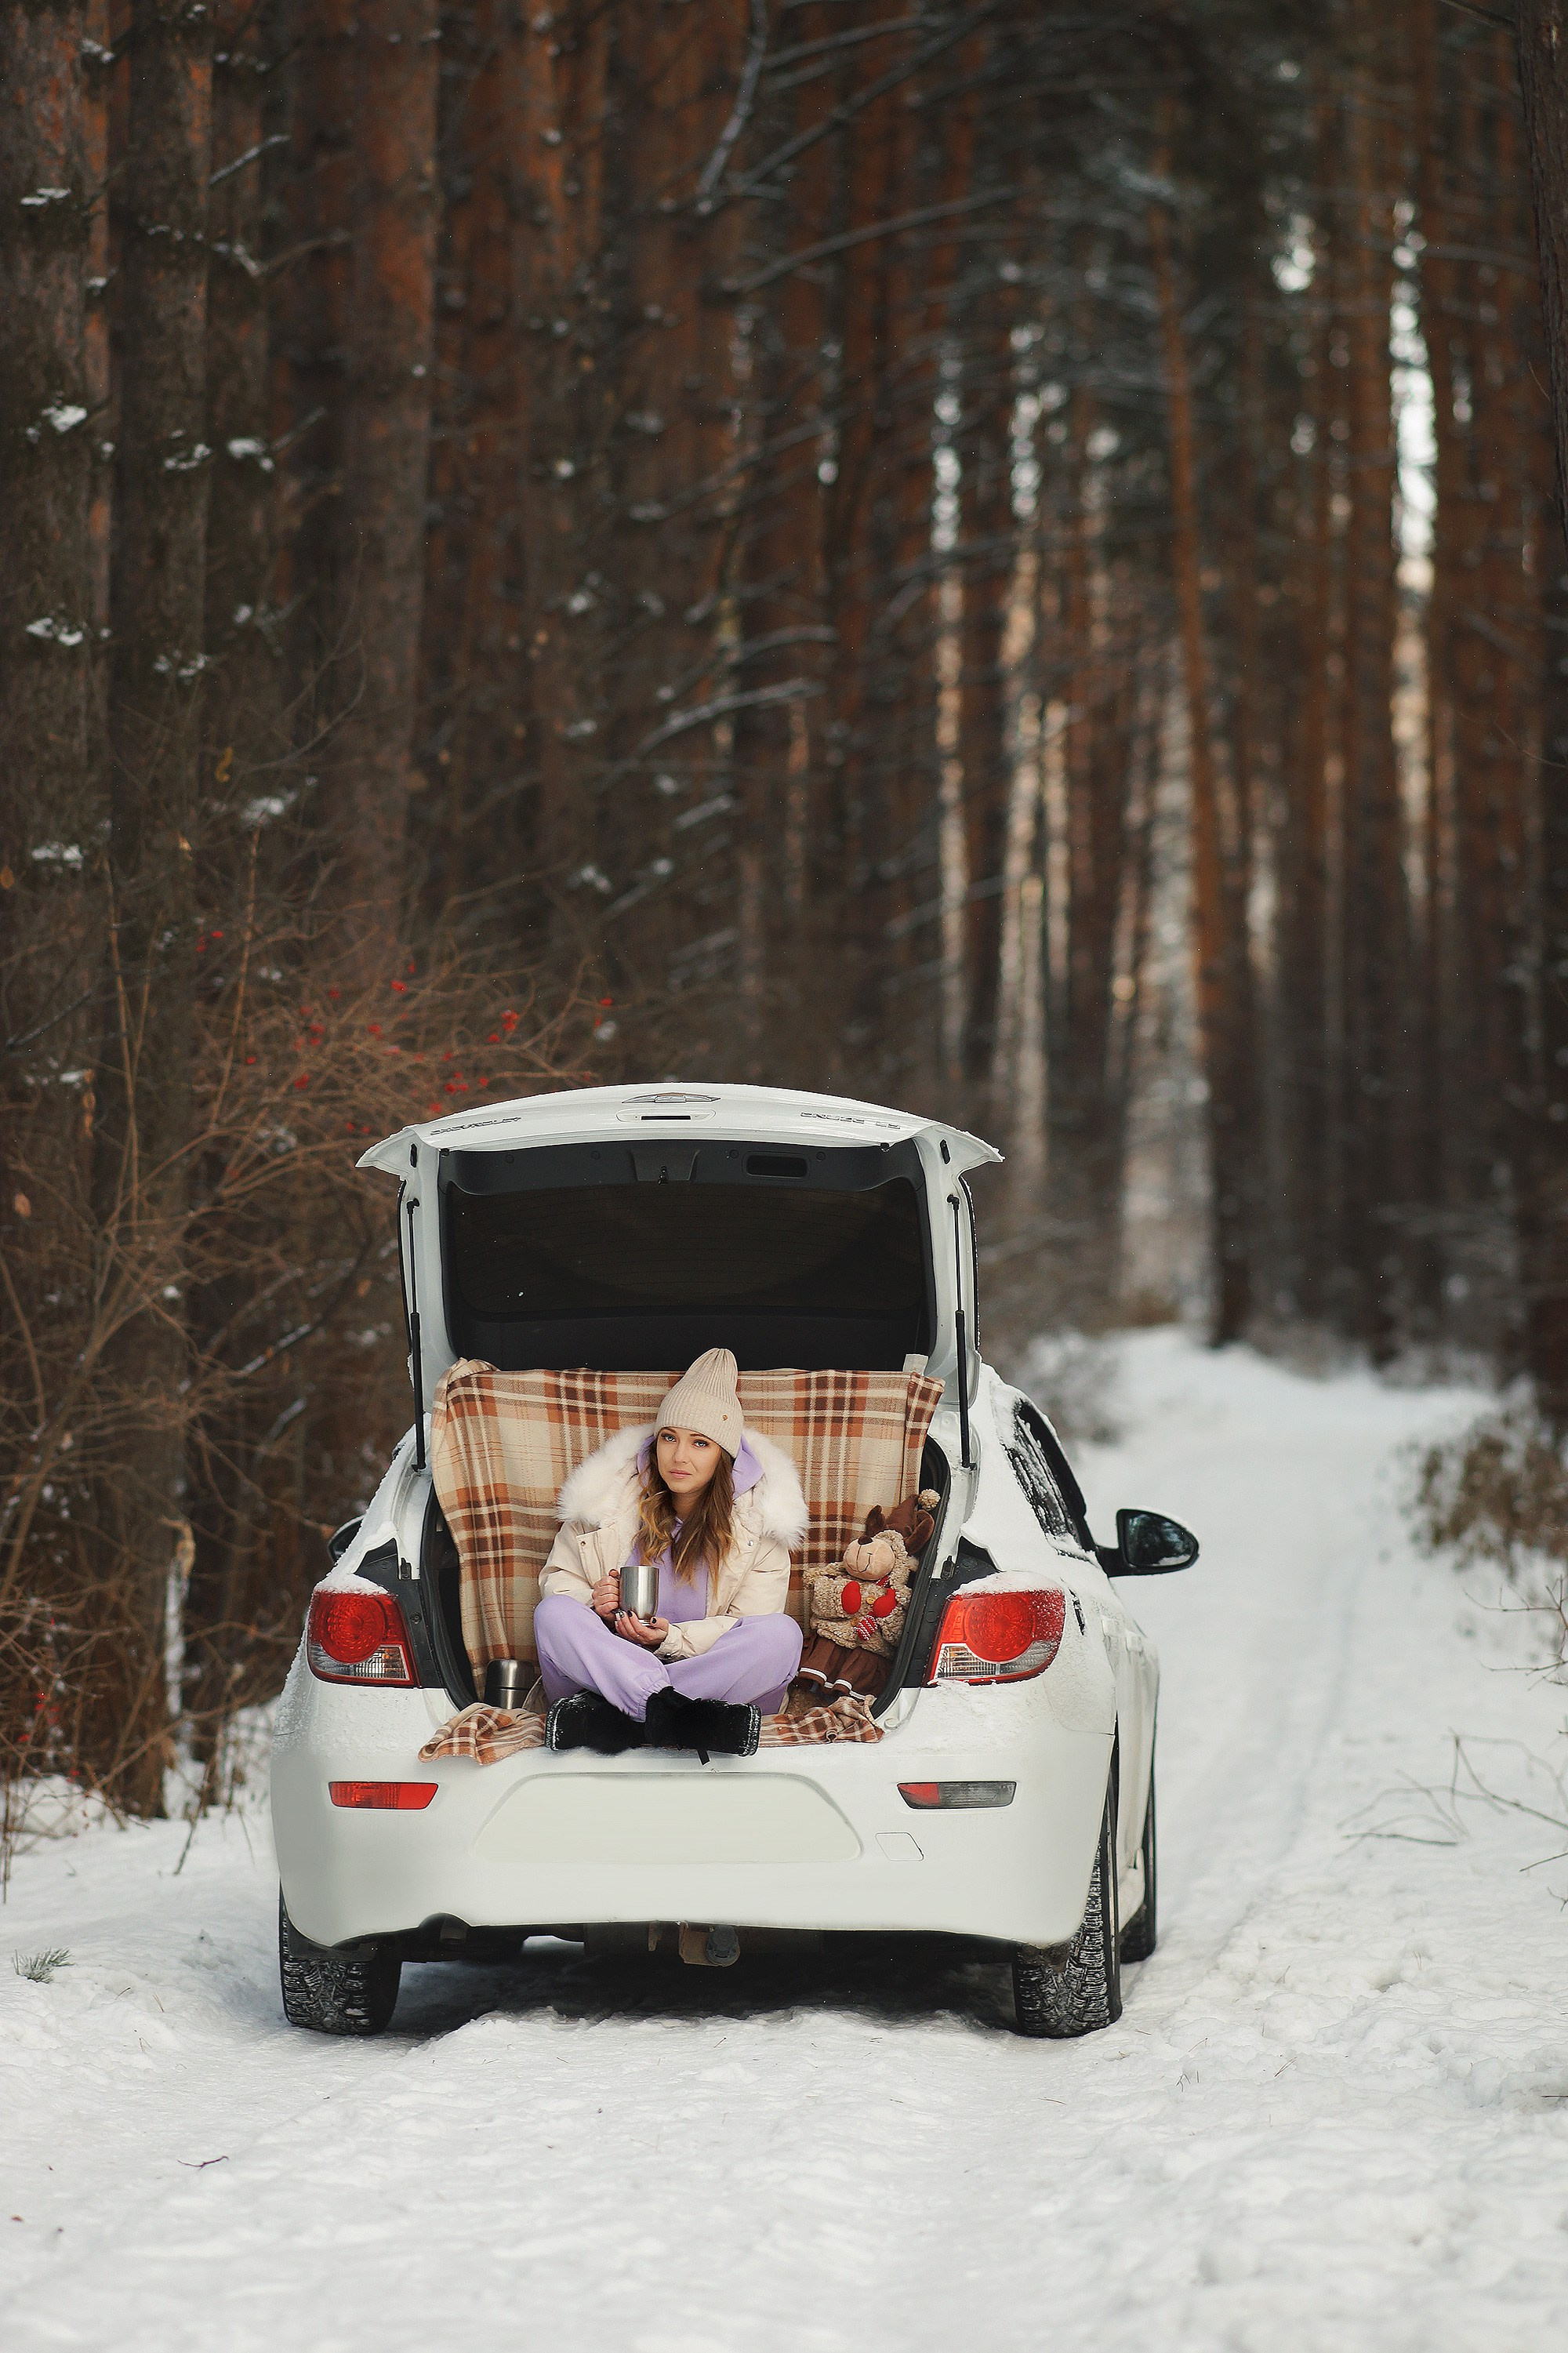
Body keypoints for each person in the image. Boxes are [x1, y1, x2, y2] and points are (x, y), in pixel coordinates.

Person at [533, 1348, 807, 1756]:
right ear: (656, 1440)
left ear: (724, 1457)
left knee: (782, 1635)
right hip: (615, 1676)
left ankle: (628, 1720)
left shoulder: (759, 1526)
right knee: (554, 1613)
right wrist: (596, 1604)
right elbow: (559, 1582)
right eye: (669, 1437)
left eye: (700, 1443)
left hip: (694, 1681)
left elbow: (748, 1623)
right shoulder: (604, 1501)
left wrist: (670, 1638)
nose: (679, 1457)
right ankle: (674, 1717)